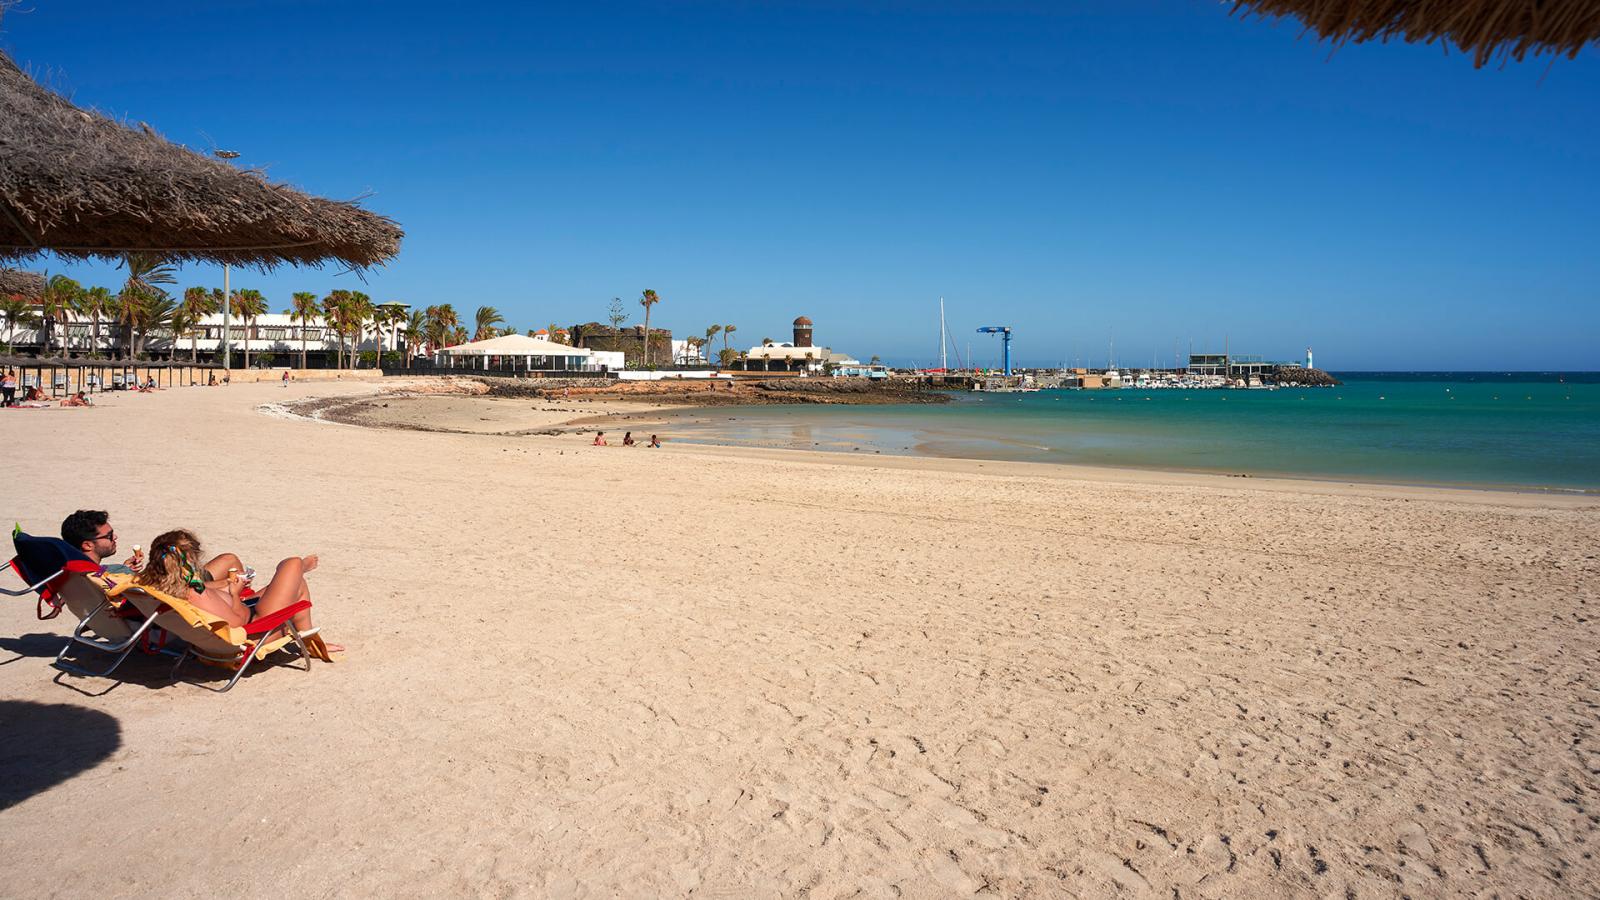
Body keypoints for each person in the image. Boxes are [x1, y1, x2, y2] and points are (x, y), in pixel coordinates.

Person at [134, 529, 341, 652]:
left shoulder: (157, 585)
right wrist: (234, 593)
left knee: (295, 583)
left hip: (249, 614)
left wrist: (224, 588)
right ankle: (305, 568)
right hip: (257, 630)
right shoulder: (195, 594)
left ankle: (309, 640)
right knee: (293, 564)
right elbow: (237, 624)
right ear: (191, 560)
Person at [61, 509, 144, 574]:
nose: (115, 537)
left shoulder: (68, 573)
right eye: (109, 536)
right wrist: (126, 573)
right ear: (87, 545)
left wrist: (124, 569)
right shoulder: (95, 580)